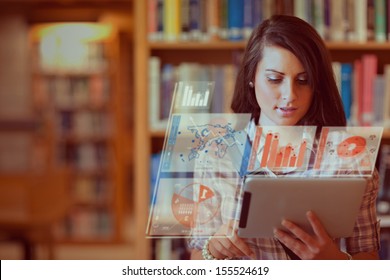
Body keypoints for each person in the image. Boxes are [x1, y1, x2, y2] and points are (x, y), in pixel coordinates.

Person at [188, 15, 380, 260]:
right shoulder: (216, 155)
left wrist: (334, 262)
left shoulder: (351, 159)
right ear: (251, 77)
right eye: (274, 79)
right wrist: (212, 249)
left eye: (303, 80)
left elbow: (369, 262)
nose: (289, 95)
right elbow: (196, 262)